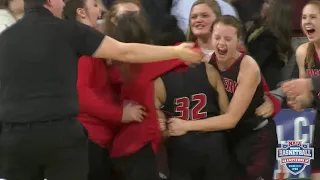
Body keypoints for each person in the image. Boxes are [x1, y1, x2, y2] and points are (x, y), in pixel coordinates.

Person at [0, 0, 203, 178]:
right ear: (50, 0)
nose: (64, 5)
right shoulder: (70, 31)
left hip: (13, 139)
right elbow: (126, 52)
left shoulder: (4, 38)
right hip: (60, 136)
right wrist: (175, 51)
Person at [168, 15, 278, 180]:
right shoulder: (207, 63)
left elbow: (231, 119)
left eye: (228, 38)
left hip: (256, 136)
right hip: (229, 138)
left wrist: (186, 125)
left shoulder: (248, 66)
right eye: (217, 37)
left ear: (238, 41)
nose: (221, 43)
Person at [63, 0, 146, 180]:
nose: (101, 9)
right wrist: (120, 114)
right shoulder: (83, 45)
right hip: (89, 138)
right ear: (81, 13)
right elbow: (82, 94)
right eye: (94, 5)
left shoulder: (85, 44)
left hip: (92, 138)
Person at [109, 13, 193, 180]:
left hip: (119, 145)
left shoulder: (114, 69)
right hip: (140, 146)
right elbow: (188, 54)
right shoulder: (147, 66)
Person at [154, 50, 235, 180]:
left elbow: (159, 129)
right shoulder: (210, 70)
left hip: (181, 149)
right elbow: (225, 113)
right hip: (214, 145)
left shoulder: (158, 81)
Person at [282, 1, 320, 179]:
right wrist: (298, 100)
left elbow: (309, 85)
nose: (307, 21)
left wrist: (309, 84)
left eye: (313, 17)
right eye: (304, 17)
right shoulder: (303, 52)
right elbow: (309, 96)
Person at [245, 0, 293, 90]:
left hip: (267, 83)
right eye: (265, 2)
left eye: (268, 3)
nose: (263, 5)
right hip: (255, 78)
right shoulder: (258, 26)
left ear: (276, 11)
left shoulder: (271, 37)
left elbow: (257, 61)